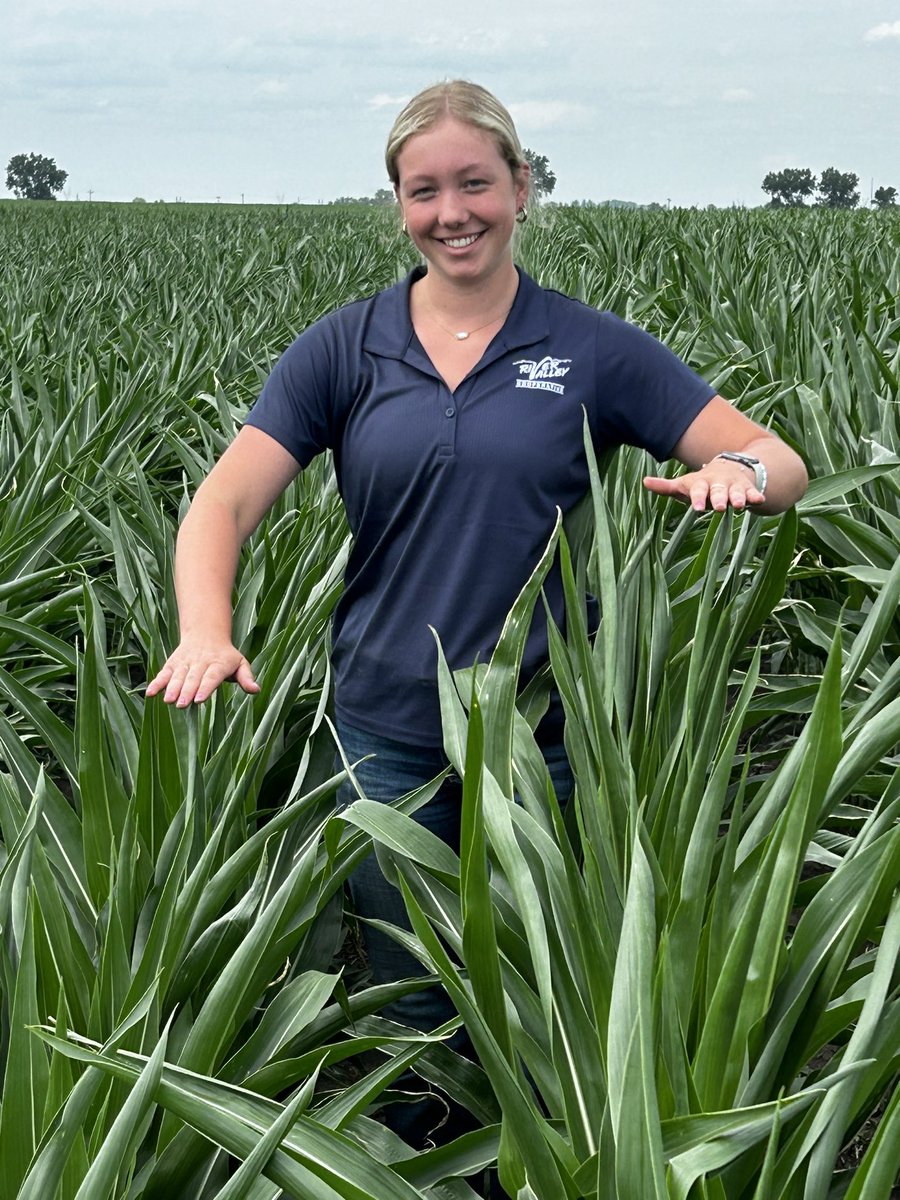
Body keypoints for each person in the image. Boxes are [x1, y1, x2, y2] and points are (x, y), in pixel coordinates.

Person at [146, 80, 808, 1148]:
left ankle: (530, 1161)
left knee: (542, 989)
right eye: (424, 191)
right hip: (382, 727)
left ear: (522, 188)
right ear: (398, 205)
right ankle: (419, 1160)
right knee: (410, 993)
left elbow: (781, 460)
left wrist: (735, 471)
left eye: (474, 183)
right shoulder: (349, 347)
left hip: (543, 736)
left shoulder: (590, 349)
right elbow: (222, 501)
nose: (451, 211)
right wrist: (204, 628)